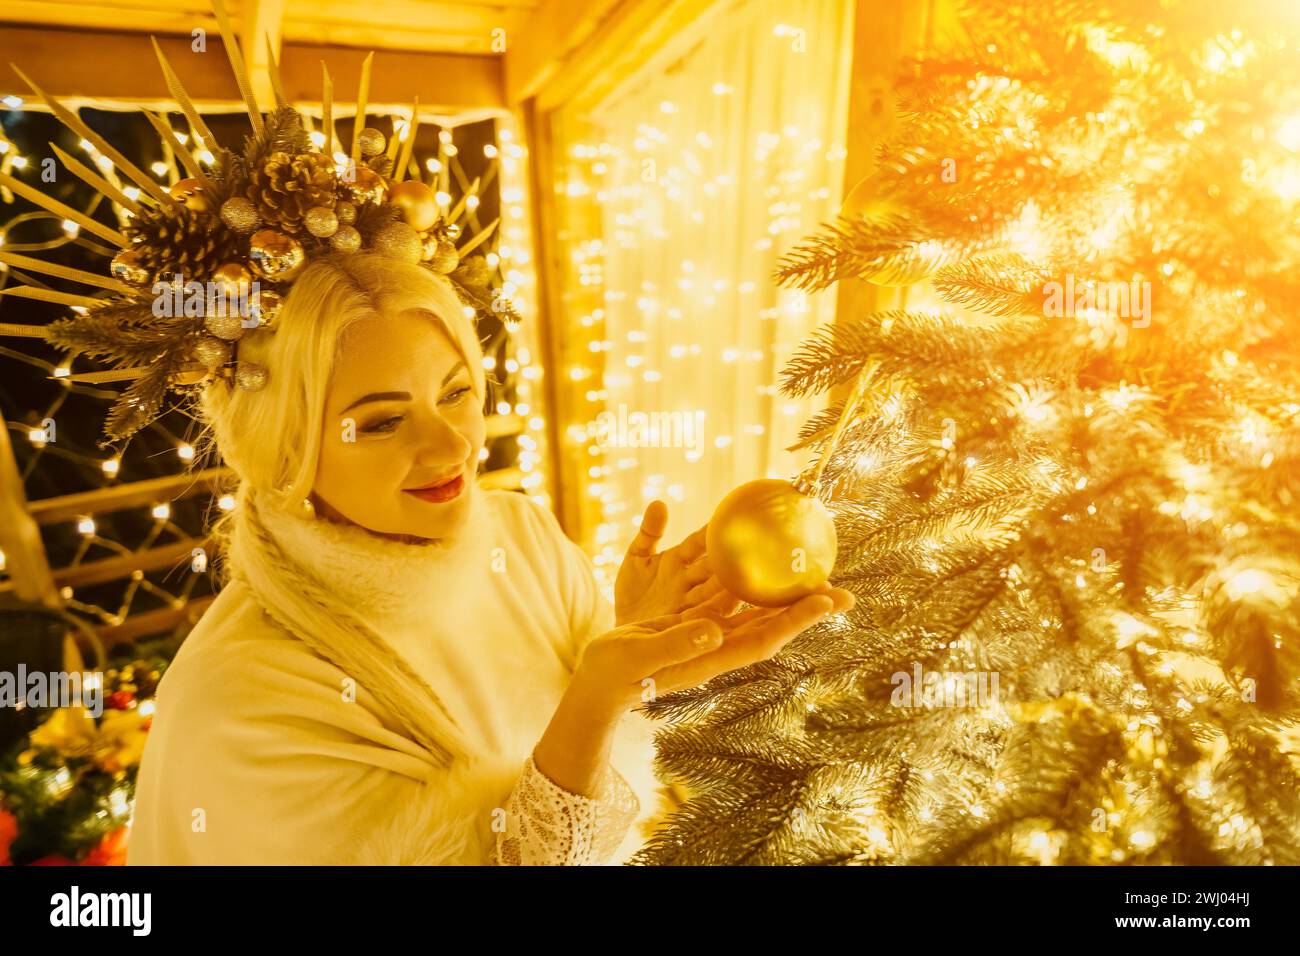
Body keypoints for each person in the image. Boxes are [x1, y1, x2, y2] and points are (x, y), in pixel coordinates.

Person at [125, 253, 854, 865]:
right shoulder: (242, 698)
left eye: (457, 393)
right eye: (381, 422)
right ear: (286, 446)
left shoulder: (522, 537)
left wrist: (635, 653)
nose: (451, 448)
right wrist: (599, 693)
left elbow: (600, 786)